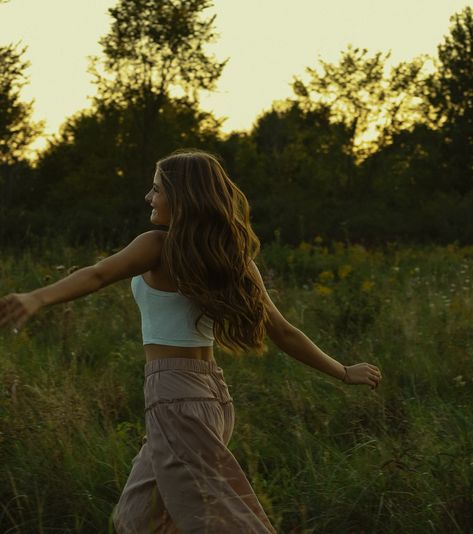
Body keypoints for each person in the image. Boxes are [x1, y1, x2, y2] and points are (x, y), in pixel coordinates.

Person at [0, 148, 382, 533]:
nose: (149, 198)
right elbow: (283, 332)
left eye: (156, 190)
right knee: (135, 519)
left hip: (175, 398)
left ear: (181, 196)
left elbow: (98, 275)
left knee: (219, 524)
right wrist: (344, 371)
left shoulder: (157, 246)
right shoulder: (231, 258)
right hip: (209, 396)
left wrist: (37, 297)